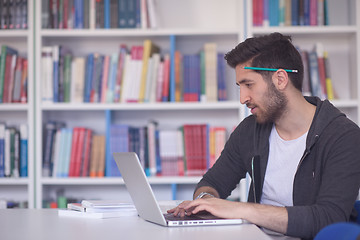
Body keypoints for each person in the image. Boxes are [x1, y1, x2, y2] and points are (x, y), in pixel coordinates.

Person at [167, 32, 360, 240]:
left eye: (248, 84)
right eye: (239, 87)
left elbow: (328, 219)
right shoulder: (250, 130)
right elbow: (213, 181)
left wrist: (242, 210)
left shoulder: (344, 137)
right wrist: (206, 202)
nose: (243, 98)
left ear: (280, 79)